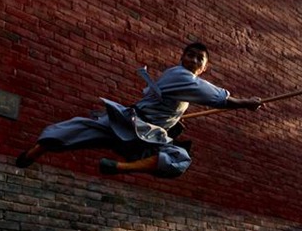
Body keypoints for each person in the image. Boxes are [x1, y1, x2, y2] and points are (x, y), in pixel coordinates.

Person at [16, 42, 262, 177]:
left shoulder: (181, 85)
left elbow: (168, 108)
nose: (194, 60)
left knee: (82, 127)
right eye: (191, 55)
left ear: (205, 67)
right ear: (182, 59)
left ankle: (43, 149)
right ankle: (37, 152)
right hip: (138, 128)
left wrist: (173, 123)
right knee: (179, 158)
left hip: (133, 125)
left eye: (200, 58)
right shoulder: (182, 76)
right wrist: (244, 103)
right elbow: (214, 96)